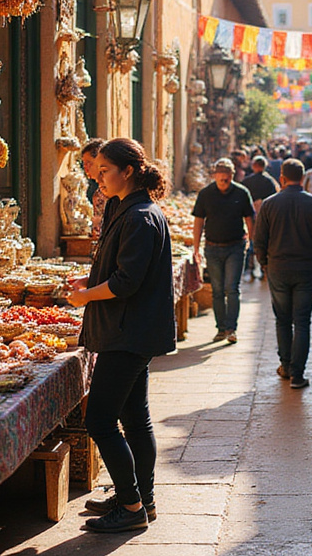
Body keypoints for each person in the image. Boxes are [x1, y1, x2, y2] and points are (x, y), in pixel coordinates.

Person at [66, 138, 175, 533]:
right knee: (134, 417)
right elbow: (118, 267)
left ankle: (131, 509)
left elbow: (126, 281)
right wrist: (89, 279)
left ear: (128, 171)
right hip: (130, 329)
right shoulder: (127, 208)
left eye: (104, 172)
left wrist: (85, 296)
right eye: (96, 173)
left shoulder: (140, 216)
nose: (99, 180)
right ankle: (141, 497)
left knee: (99, 420)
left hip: (128, 332)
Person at [253, 158, 312, 389]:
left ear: (282, 177)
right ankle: (297, 374)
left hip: (278, 268)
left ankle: (286, 365)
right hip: (306, 270)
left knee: (282, 319)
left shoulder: (269, 204)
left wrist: (265, 264)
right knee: (302, 321)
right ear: (303, 178)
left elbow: (259, 241)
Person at [192, 158, 255, 344]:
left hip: (235, 247)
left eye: (227, 175)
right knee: (217, 290)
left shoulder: (242, 193)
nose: (223, 178)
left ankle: (231, 329)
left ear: (231, 175)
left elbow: (250, 219)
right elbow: (198, 221)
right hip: (212, 247)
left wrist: (252, 243)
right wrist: (196, 247)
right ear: (215, 175)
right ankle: (221, 329)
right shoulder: (205, 194)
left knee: (232, 288)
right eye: (220, 175)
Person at [242, 154, 280, 280]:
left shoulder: (247, 181)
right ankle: (265, 268)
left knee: (252, 240)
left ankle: (251, 268)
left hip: (250, 216)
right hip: (266, 216)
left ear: (253, 166)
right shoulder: (270, 181)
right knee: (266, 241)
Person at [80, 138, 107, 237]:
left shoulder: (114, 190)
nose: (86, 168)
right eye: (84, 164)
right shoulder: (99, 192)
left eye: (89, 163)